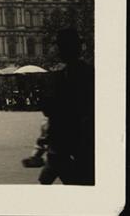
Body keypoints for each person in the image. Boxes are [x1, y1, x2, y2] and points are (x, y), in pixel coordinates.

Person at [38, 28, 94, 185]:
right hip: (83, 142)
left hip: (66, 144)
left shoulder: (59, 77)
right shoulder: (91, 73)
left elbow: (48, 109)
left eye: (60, 47)